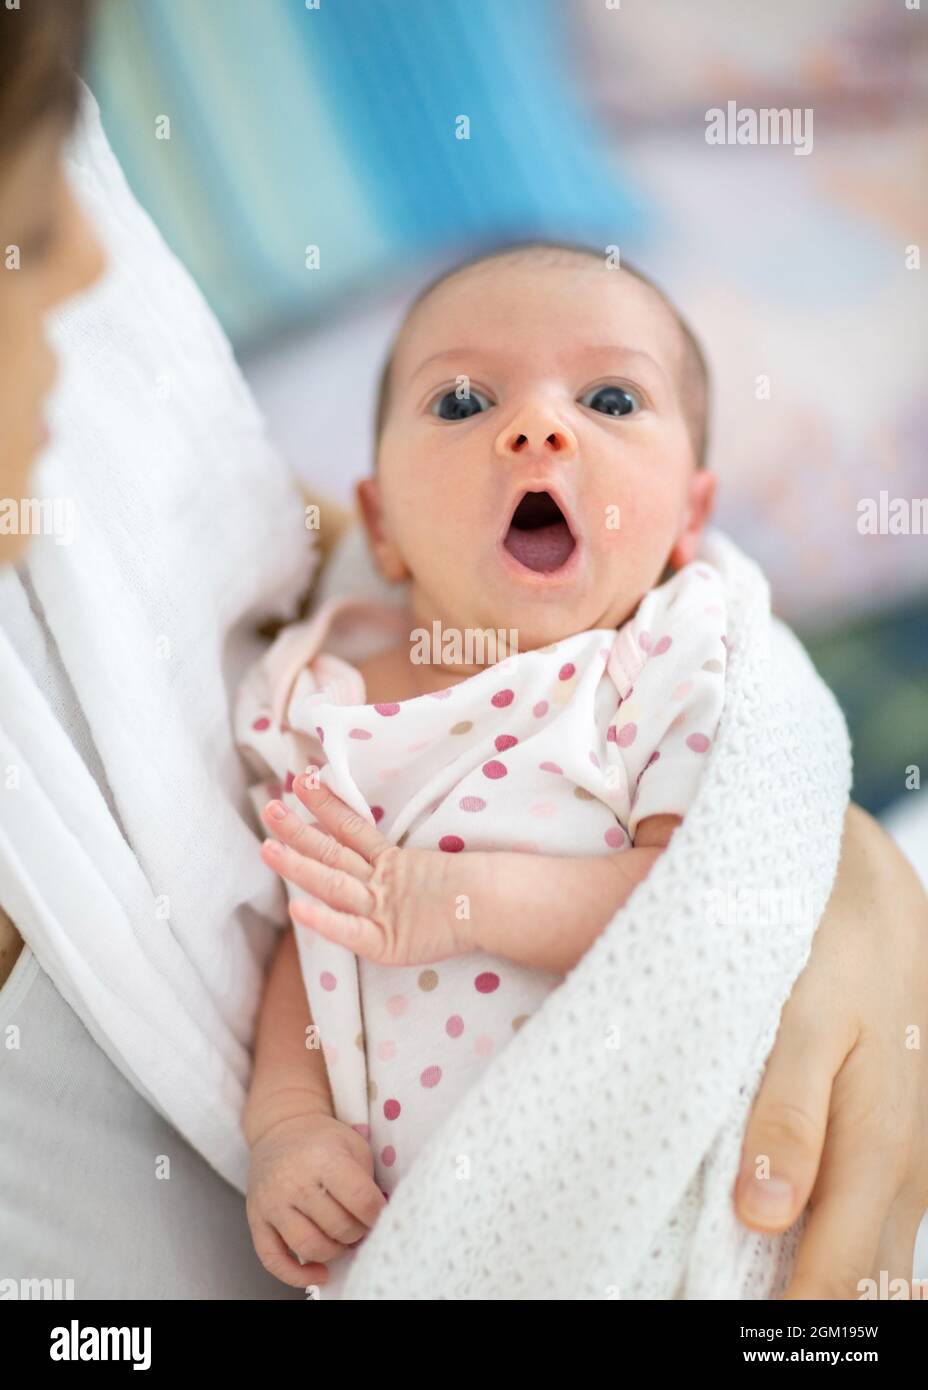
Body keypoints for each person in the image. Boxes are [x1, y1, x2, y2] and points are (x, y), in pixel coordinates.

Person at [0, 0, 925, 1300]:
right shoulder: (320, 693)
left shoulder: (666, 660)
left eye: (608, 400)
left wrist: (462, 900)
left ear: (689, 522)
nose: (537, 430)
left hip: (685, 1158)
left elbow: (702, 896)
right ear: (381, 516)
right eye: (461, 400)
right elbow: (302, 949)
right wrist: (286, 1122)